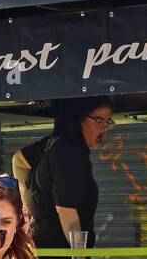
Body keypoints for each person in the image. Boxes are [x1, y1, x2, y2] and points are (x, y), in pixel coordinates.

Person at [27, 97, 113, 249]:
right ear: (80, 119)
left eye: (108, 122)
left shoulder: (54, 142)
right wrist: (79, 256)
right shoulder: (70, 153)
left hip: (46, 255)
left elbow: (18, 160)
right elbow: (66, 211)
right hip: (61, 258)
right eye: (99, 121)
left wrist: (29, 211)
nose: (104, 129)